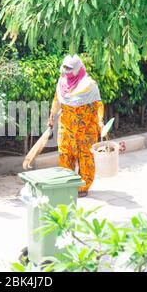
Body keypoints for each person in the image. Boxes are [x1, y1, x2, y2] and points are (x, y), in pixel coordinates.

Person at [48, 54, 104, 198]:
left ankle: (83, 187)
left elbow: (98, 104)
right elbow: (56, 100)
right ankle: (68, 184)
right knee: (65, 156)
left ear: (78, 69)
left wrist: (100, 121)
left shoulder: (89, 85)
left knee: (86, 158)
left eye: (69, 68)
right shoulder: (62, 82)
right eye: (64, 67)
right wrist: (51, 116)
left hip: (86, 130)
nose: (66, 71)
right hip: (66, 128)